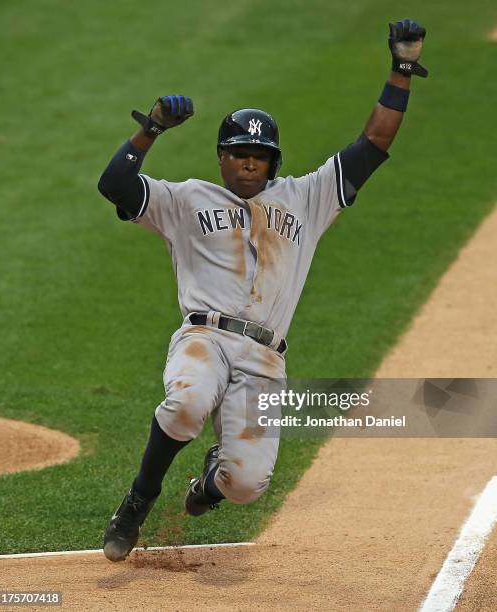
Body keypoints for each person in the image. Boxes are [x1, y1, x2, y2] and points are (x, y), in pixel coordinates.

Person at [97, 19, 428, 562]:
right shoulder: (185, 199)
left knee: (245, 485)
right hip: (204, 339)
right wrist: (150, 129)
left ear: (274, 160)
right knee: (187, 403)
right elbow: (115, 185)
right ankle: (137, 502)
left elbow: (374, 141)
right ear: (220, 156)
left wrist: (402, 68)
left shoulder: (308, 198)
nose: (248, 161)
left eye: (259, 154)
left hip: (263, 360)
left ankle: (208, 484)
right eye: (237, 152)